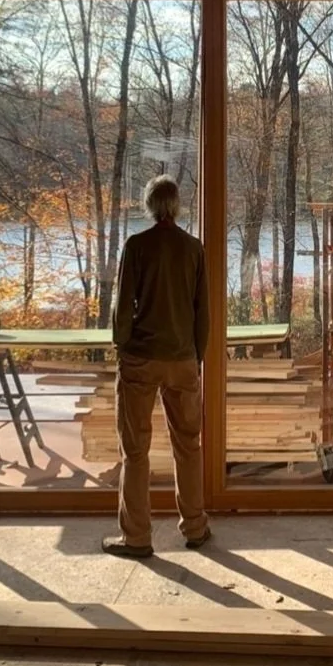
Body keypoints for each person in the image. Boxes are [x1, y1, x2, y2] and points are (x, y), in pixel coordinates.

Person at [102, 175, 212, 558]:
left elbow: (122, 305)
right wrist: (195, 356)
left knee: (135, 451)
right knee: (188, 446)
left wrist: (122, 344)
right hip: (182, 359)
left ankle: (137, 537)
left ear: (148, 206)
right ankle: (195, 527)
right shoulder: (193, 248)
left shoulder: (137, 246)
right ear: (176, 206)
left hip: (142, 360)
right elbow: (203, 313)